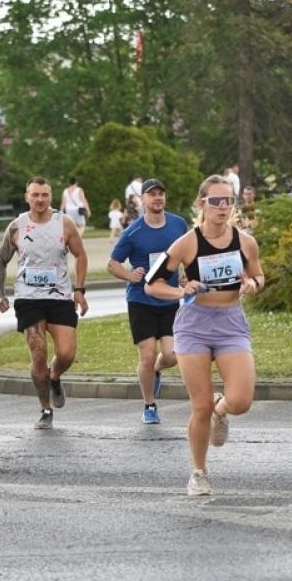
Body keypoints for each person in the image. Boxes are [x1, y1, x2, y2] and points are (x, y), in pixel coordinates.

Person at [145, 175, 265, 497]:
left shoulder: (245, 242)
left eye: (228, 201)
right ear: (203, 204)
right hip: (194, 324)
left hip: (230, 322)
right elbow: (151, 283)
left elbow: (257, 275)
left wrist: (252, 285)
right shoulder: (187, 243)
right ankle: (199, 472)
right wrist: (180, 290)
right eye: (215, 201)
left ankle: (221, 411)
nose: (222, 208)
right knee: (199, 406)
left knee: (240, 400)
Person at [0, 177, 90, 429]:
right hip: (28, 298)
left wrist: (79, 289)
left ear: (51, 196)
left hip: (59, 296)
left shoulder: (64, 224)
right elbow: (0, 262)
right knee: (38, 351)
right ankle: (45, 409)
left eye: (44, 195)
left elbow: (80, 255)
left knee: (67, 354)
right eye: (35, 195)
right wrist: (1, 294)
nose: (40, 199)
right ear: (27, 197)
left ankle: (54, 376)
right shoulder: (16, 227)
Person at [107, 178, 189, 425]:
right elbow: (112, 264)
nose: (157, 198)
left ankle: (155, 370)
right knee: (147, 354)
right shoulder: (133, 232)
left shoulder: (177, 224)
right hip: (140, 300)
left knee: (172, 355)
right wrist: (129, 276)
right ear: (142, 200)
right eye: (151, 194)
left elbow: (188, 252)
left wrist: (186, 275)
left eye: (160, 194)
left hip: (169, 298)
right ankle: (149, 404)